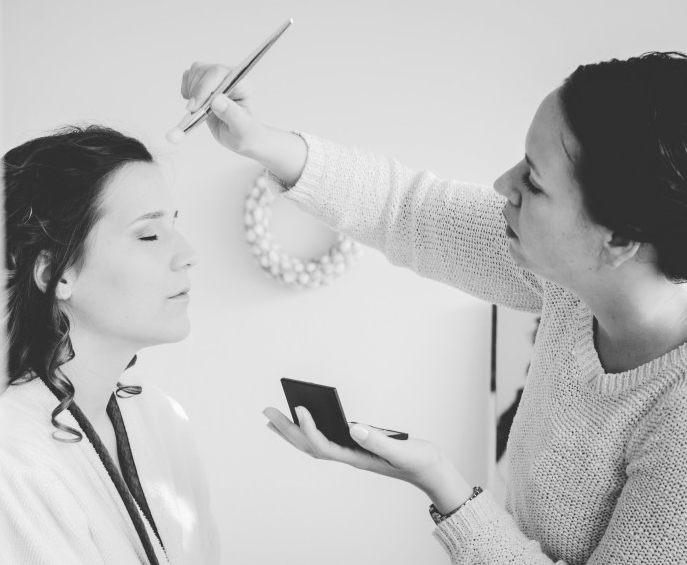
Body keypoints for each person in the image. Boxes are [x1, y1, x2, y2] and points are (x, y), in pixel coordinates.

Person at [179, 52, 687, 564]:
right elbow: (407, 211)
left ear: (620, 237)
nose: (502, 186)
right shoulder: (575, 283)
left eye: (533, 182)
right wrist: (258, 139)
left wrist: (440, 482)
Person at [0, 125, 219, 564]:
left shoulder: (162, 418)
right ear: (57, 272)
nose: (187, 253)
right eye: (149, 235)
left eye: (175, 226)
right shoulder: (5, 457)